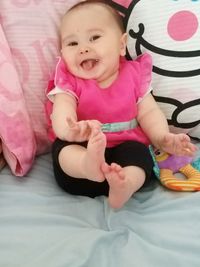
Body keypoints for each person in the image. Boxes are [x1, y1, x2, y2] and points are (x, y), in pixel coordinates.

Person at [46, 0, 197, 209]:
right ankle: (87, 165)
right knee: (63, 149)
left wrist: (162, 138)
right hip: (83, 159)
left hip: (124, 150)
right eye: (72, 43)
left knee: (140, 155)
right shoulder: (69, 81)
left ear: (121, 44)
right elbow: (61, 113)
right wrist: (72, 132)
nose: (83, 48)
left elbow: (149, 113)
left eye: (95, 37)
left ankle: (126, 184)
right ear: (62, 52)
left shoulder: (134, 76)